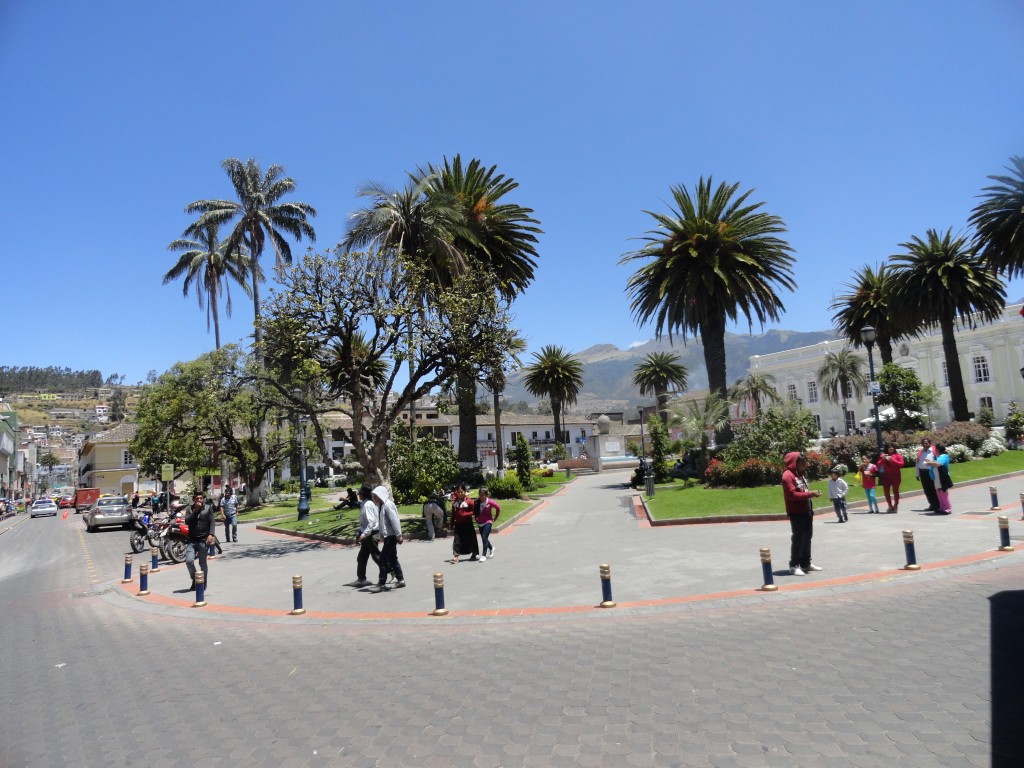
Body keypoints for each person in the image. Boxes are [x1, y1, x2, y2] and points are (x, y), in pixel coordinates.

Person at [781, 452, 823, 576]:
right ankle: (794, 565)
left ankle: (806, 563)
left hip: (806, 511)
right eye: (802, 462)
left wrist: (810, 495)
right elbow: (792, 495)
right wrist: (811, 494)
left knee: (807, 538)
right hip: (797, 512)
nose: (804, 465)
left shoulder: (799, 474)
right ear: (795, 462)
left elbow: (803, 490)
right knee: (798, 539)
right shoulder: (787, 476)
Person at [367, 485, 404, 592]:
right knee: (393, 559)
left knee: (382, 560)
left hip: (392, 537)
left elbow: (395, 521)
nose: (374, 498)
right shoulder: (383, 505)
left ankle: (381, 584)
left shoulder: (388, 505)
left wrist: (399, 536)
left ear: (381, 495)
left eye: (375, 496)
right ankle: (401, 580)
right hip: (389, 536)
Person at [184, 492, 216, 591]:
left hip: (203, 540)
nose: (199, 500)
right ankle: (195, 579)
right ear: (194, 500)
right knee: (189, 561)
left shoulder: (208, 508)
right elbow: (187, 521)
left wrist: (211, 534)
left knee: (202, 563)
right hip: (192, 540)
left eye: (201, 498)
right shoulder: (189, 509)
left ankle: (203, 582)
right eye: (197, 498)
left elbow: (212, 522)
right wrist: (195, 511)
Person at [349, 484, 379, 587]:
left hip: (370, 534)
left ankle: (394, 573)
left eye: (359, 493)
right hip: (367, 534)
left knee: (377, 557)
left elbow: (370, 522)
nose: (358, 494)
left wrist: (364, 535)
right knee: (362, 557)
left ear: (363, 494)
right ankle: (361, 579)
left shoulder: (367, 505)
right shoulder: (365, 503)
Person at [449, 484, 479, 563]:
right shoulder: (455, 503)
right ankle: (456, 556)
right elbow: (453, 514)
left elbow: (474, 511)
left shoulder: (469, 501)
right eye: (458, 492)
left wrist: (466, 514)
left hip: (467, 524)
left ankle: (474, 552)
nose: (460, 494)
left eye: (461, 492)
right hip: (458, 524)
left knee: (471, 539)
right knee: (457, 540)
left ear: (465, 492)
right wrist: (451, 523)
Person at [925, 443, 954, 514]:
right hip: (937, 477)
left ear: (937, 449)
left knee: (943, 493)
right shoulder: (937, 456)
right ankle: (942, 507)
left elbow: (938, 464)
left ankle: (947, 508)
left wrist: (929, 463)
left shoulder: (944, 456)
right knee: (939, 492)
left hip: (942, 478)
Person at [474, 487, 500, 560]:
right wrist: (476, 518)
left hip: (488, 522)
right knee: (484, 538)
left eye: (483, 495)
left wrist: (495, 517)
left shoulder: (490, 502)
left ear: (486, 495)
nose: (481, 497)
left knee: (484, 536)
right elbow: (474, 511)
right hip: (480, 523)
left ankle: (483, 555)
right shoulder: (477, 502)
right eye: (480, 495)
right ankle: (492, 548)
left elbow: (498, 508)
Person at [877, 443, 905, 513]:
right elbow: (878, 464)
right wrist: (883, 459)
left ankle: (896, 505)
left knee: (895, 491)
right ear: (887, 448)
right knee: (886, 491)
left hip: (896, 475)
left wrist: (892, 460)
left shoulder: (897, 455)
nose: (891, 448)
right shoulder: (883, 455)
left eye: (892, 447)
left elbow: (901, 464)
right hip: (886, 476)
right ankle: (890, 505)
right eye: (889, 447)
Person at [915, 438, 941, 512]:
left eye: (926, 443)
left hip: (931, 472)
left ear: (930, 443)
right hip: (922, 472)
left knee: (933, 489)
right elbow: (917, 463)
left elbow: (938, 461)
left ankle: (937, 505)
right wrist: (917, 474)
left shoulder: (934, 451)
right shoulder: (920, 452)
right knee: (926, 490)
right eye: (923, 443)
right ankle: (932, 504)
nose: (925, 444)